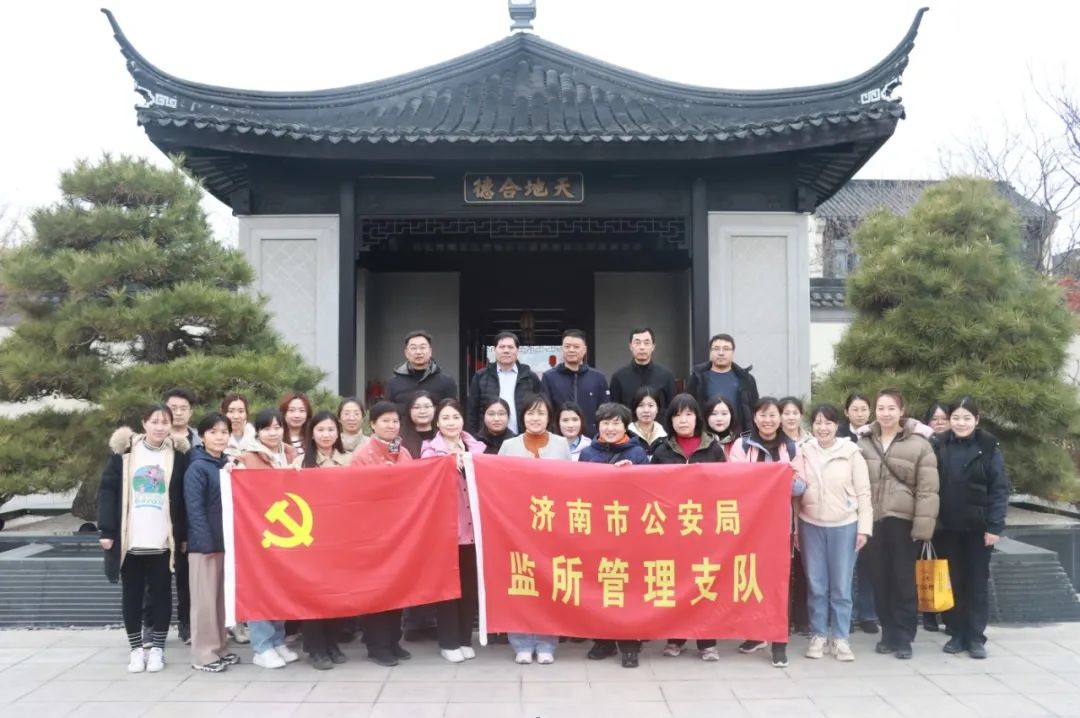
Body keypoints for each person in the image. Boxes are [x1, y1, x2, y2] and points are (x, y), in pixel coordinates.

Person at [97, 405, 189, 673]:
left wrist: (183, 535)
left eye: (165, 422)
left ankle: (158, 648)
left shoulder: (178, 455)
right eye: (154, 421)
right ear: (144, 423)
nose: (159, 427)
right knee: (132, 596)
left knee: (162, 595)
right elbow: (108, 490)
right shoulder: (125, 452)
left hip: (162, 540)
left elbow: (182, 499)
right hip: (131, 539)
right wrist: (106, 530)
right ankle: (136, 649)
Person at [858, 388, 939, 660]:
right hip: (873, 520)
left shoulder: (919, 444)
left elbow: (928, 490)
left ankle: (904, 636)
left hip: (903, 522)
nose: (886, 413)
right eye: (881, 408)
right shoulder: (864, 442)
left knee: (903, 581)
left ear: (902, 411)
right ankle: (888, 632)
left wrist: (922, 529)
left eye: (891, 408)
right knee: (879, 579)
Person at [728, 397, 807, 668]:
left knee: (778, 582)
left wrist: (785, 476)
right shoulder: (742, 445)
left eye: (773, 415)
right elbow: (733, 481)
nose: (768, 420)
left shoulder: (792, 447)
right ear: (754, 417)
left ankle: (779, 642)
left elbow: (800, 487)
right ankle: (755, 634)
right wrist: (765, 477)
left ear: (780, 418)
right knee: (749, 576)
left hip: (779, 526)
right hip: (748, 525)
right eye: (763, 415)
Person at [651, 394, 726, 661]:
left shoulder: (713, 449)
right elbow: (650, 488)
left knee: (704, 582)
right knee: (675, 582)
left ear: (697, 417)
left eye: (688, 414)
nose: (683, 420)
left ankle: (707, 641)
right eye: (677, 415)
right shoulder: (661, 450)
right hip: (672, 528)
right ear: (670, 420)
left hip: (703, 527)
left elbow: (726, 485)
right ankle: (676, 637)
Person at [497, 394, 571, 664]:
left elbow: (572, 483)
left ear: (549, 417)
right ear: (522, 417)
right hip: (517, 528)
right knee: (521, 582)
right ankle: (521, 643)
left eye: (541, 413)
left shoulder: (561, 444)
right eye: (530, 413)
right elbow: (496, 482)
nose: (535, 418)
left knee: (549, 583)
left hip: (551, 526)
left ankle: (547, 642)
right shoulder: (509, 445)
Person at [933, 397, 1008, 660]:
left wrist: (995, 526)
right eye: (956, 418)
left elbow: (999, 489)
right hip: (947, 527)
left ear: (976, 420)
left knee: (976, 582)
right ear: (949, 420)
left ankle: (975, 637)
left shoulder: (988, 448)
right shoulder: (939, 445)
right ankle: (955, 633)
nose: (961, 423)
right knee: (953, 581)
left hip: (979, 528)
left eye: (967, 418)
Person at [798, 404, 872, 663]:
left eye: (828, 422)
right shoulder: (804, 451)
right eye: (817, 422)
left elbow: (864, 492)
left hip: (845, 525)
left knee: (841, 586)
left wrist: (864, 529)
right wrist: (795, 528)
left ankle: (840, 637)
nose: (822, 428)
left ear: (836, 425)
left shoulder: (851, 452)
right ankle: (818, 635)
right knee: (816, 584)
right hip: (810, 525)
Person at [580, 402, 649, 668]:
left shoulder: (637, 452)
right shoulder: (588, 453)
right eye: (605, 423)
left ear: (625, 426)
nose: (610, 428)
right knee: (600, 585)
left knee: (628, 588)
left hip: (629, 532)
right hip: (597, 530)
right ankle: (604, 640)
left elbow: (649, 491)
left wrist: (632, 476)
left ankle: (630, 644)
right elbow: (579, 490)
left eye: (616, 423)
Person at [234, 408, 300, 669]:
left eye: (277, 427)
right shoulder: (247, 457)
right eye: (267, 428)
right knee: (259, 588)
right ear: (258, 431)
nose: (273, 432)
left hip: (286, 533)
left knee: (281, 587)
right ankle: (261, 646)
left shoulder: (292, 454)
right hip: (257, 534)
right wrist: (231, 471)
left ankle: (277, 639)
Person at [421, 399, 485, 663]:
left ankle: (464, 638)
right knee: (448, 588)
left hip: (475, 530)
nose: (451, 423)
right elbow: (427, 479)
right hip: (445, 532)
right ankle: (448, 641)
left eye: (455, 417)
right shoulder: (429, 451)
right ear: (437, 422)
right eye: (445, 418)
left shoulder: (477, 448)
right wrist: (449, 462)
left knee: (470, 588)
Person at [351, 401, 414, 666]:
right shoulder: (363, 455)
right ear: (372, 424)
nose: (391, 426)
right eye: (385, 421)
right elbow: (357, 495)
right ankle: (377, 644)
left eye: (395, 421)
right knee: (377, 589)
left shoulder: (404, 451)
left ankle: (393, 639)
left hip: (400, 531)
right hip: (374, 533)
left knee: (397, 587)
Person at [294, 411, 351, 669]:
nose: (326, 435)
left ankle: (332, 642)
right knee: (312, 594)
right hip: (310, 539)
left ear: (338, 433)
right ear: (312, 433)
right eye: (320, 430)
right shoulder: (300, 463)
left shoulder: (349, 461)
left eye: (330, 430)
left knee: (335, 593)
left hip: (340, 538)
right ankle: (315, 648)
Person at [184, 412, 240, 673]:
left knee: (219, 602)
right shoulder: (197, 467)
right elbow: (194, 510)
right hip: (204, 547)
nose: (220, 437)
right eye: (213, 432)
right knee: (205, 603)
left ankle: (219, 648)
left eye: (224, 432)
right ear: (202, 436)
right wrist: (205, 543)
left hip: (225, 543)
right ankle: (203, 655)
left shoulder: (226, 464)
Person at [398, 390, 440, 641]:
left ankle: (432, 620)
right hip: (411, 511)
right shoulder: (400, 439)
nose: (422, 411)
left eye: (427, 406)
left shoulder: (443, 435)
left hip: (438, 510)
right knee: (412, 565)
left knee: (435, 566)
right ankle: (412, 621)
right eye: (417, 407)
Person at [837, 392, 877, 634]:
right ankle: (849, 615)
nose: (860, 414)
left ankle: (868, 614)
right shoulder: (839, 436)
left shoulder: (876, 434)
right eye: (855, 409)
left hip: (870, 503)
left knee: (869, 564)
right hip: (844, 507)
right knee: (848, 566)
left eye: (864, 409)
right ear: (846, 412)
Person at [162, 388, 197, 644]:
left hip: (188, 518)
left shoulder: (200, 440)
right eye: (173, 408)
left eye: (183, 408)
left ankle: (187, 623)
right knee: (156, 579)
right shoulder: (152, 441)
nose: (178, 412)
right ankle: (152, 626)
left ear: (191, 412)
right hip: (158, 517)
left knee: (186, 578)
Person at [466, 331, 541, 434]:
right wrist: (474, 438)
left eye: (510, 347)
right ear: (494, 350)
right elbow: (471, 412)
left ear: (517, 350)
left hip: (522, 437)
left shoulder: (530, 377)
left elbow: (539, 408)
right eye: (502, 347)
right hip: (488, 439)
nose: (506, 351)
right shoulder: (481, 377)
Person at [540, 329, 610, 439]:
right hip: (558, 439)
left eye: (576, 347)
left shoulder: (598, 378)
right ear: (562, 349)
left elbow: (605, 411)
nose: (571, 350)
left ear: (584, 350)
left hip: (592, 439)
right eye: (567, 346)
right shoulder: (549, 377)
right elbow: (545, 410)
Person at [686, 333, 759, 432]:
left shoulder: (746, 379)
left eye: (726, 349)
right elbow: (689, 407)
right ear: (710, 351)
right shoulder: (698, 378)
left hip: (739, 434)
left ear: (733, 352)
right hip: (706, 434)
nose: (721, 353)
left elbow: (755, 409)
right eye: (716, 349)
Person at [920, 400, 951, 633]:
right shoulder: (923, 445)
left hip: (952, 517)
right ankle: (929, 613)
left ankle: (950, 616)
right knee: (928, 565)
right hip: (930, 517)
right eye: (935, 419)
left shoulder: (956, 444)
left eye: (944, 419)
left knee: (950, 568)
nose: (939, 423)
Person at [609, 328, 677, 411]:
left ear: (653, 347)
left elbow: (672, 410)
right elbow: (614, 411)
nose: (642, 347)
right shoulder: (618, 377)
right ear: (630, 346)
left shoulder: (667, 376)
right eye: (637, 343)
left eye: (646, 343)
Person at [388, 330, 459, 406]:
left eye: (422, 347)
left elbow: (452, 410)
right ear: (406, 353)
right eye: (413, 348)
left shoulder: (447, 382)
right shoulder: (393, 383)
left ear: (430, 351)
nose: (418, 352)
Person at [628, 385, 668, 456]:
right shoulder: (626, 434)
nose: (646, 410)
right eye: (641, 405)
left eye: (651, 405)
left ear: (658, 408)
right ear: (635, 409)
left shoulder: (666, 435)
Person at [221, 393, 255, 460]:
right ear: (223, 413)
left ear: (247, 413)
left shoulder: (257, 438)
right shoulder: (215, 439)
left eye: (241, 411)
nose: (236, 416)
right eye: (231, 411)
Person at [278, 392, 312, 458]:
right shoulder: (275, 438)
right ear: (283, 413)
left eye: (302, 410)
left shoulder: (313, 438)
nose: (297, 415)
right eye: (291, 410)